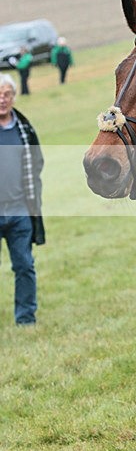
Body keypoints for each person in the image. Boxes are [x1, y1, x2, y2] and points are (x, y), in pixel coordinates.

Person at [0, 73, 45, 325]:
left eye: (7, 94)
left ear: (13, 97)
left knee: (24, 266)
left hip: (19, 209)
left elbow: (37, 162)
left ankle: (26, 318)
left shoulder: (24, 129)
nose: (2, 99)